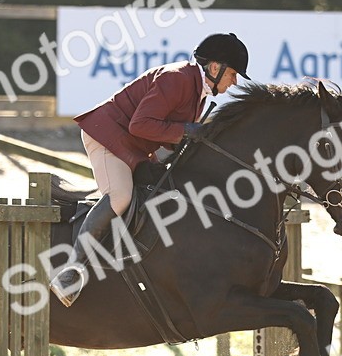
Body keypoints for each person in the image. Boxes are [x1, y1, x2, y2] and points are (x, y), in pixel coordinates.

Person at [48, 32, 251, 307]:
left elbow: (164, 136)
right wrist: (187, 131)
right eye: (234, 74)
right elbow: (140, 125)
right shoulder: (177, 78)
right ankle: (70, 272)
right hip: (108, 135)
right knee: (121, 196)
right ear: (215, 68)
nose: (235, 81)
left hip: (133, 145)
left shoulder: (198, 94)